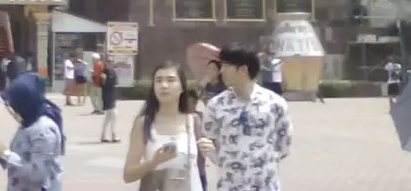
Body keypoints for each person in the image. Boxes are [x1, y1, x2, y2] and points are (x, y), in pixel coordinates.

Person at [203, 45, 292, 191]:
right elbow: (210, 141)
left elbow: (284, 144)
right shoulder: (216, 105)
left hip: (265, 184)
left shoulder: (275, 103)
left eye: (226, 66)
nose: (221, 71)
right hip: (229, 184)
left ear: (243, 70)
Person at [123, 61, 210, 191]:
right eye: (158, 81)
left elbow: (208, 163)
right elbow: (128, 175)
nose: (163, 85)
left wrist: (211, 149)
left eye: (170, 80)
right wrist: (154, 162)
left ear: (182, 87)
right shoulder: (143, 123)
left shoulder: (193, 121)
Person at [0, 73, 63, 191]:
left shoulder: (43, 130)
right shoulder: (27, 124)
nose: (10, 110)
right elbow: (20, 160)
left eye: (12, 106)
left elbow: (38, 174)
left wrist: (4, 153)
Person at [100, 56, 119, 144]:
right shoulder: (104, 72)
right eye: (108, 62)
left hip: (113, 95)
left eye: (111, 62)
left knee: (108, 117)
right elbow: (102, 84)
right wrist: (103, 80)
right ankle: (113, 135)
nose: (110, 63)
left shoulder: (113, 71)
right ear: (106, 63)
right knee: (114, 114)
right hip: (107, 96)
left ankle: (104, 135)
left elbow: (116, 82)